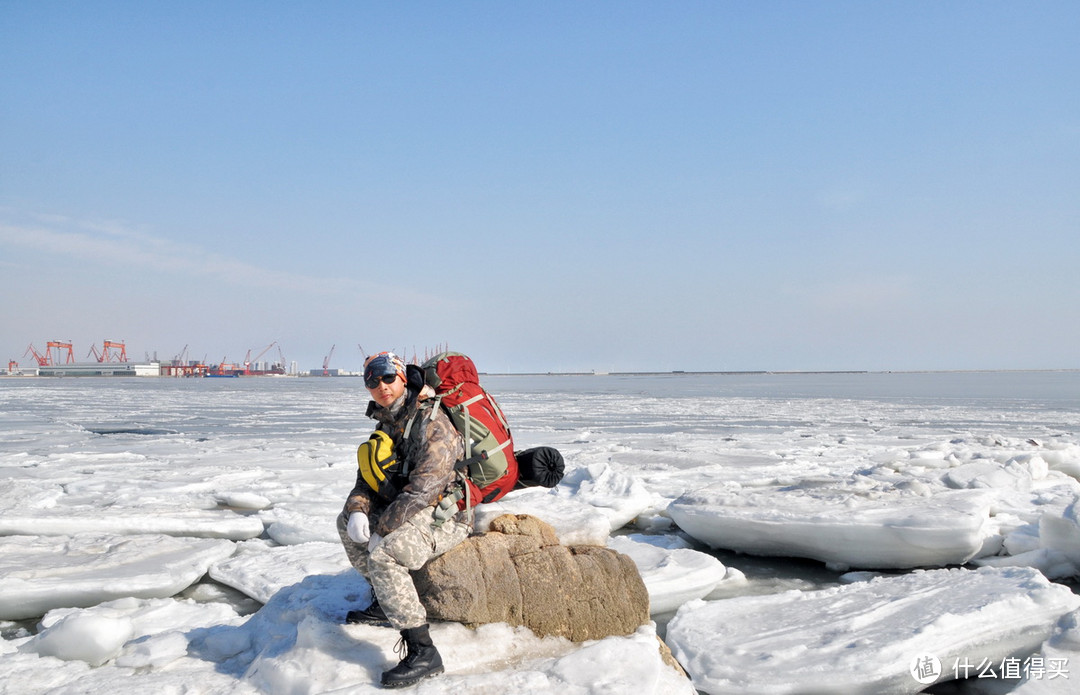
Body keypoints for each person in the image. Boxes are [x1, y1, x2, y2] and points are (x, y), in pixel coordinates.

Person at [336, 351, 471, 689]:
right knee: (345, 524)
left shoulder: (431, 420)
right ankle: (386, 601)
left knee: (385, 553)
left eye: (386, 377)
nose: (379, 385)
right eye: (371, 380)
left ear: (401, 377)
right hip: (410, 506)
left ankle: (423, 651)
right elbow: (366, 479)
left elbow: (426, 488)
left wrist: (384, 528)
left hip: (447, 513)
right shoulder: (388, 421)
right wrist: (357, 509)